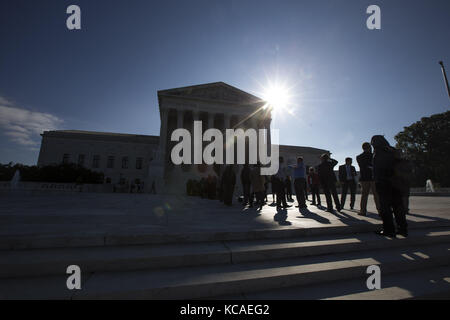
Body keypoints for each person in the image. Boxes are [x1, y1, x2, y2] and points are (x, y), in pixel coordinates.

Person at [371, 135, 408, 238]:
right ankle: (403, 229)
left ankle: (389, 230)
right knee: (398, 207)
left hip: (384, 183)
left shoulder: (379, 152)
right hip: (396, 183)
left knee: (385, 208)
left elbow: (378, 169)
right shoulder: (393, 151)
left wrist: (377, 181)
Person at [356, 142, 380, 216]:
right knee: (376, 195)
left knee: (364, 195)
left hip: (364, 178)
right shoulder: (374, 155)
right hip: (373, 177)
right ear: (369, 147)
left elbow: (363, 166)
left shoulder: (359, 157)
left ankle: (363, 211)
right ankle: (380, 211)